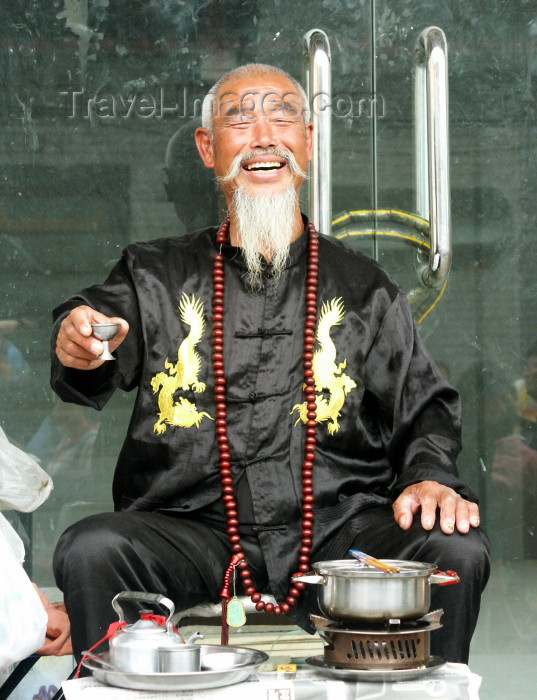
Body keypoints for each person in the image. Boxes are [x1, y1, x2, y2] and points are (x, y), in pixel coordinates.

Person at [50, 63, 490, 665]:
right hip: (190, 527)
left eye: (281, 116)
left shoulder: (364, 288)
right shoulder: (153, 275)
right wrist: (80, 341)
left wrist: (431, 476)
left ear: (306, 139)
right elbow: (95, 339)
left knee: (454, 551)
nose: (263, 135)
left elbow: (425, 407)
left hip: (340, 531)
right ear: (208, 147)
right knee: (92, 548)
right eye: (239, 117)